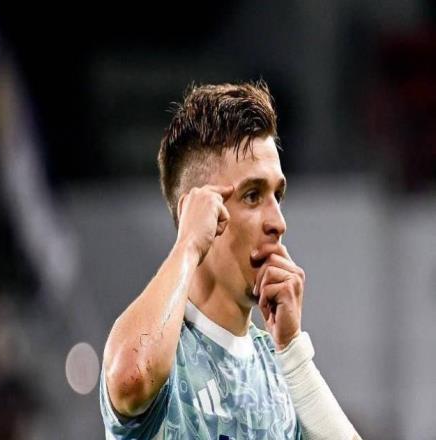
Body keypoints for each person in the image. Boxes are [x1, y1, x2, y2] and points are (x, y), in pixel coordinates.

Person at [100, 81, 362, 439]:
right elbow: (132, 375)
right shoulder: (167, 357)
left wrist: (291, 349)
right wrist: (188, 245)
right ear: (198, 212)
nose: (278, 222)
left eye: (277, 196)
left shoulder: (281, 367)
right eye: (253, 196)